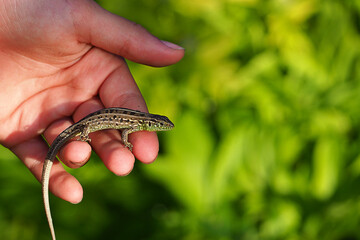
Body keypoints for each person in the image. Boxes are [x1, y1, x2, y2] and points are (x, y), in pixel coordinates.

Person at [0, 0, 184, 204]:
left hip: (91, 119)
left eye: (162, 125)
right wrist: (103, 139)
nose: (162, 127)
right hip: (86, 124)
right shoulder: (135, 123)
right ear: (150, 123)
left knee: (81, 148)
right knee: (80, 137)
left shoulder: (136, 121)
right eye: (160, 125)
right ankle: (83, 136)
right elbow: (124, 133)